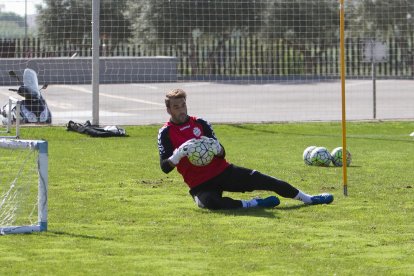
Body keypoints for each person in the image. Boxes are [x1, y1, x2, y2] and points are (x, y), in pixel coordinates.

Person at [157, 88, 334, 210]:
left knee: (265, 180)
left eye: (183, 105)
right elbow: (165, 167)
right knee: (211, 203)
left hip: (222, 172)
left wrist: (216, 147)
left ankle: (309, 199)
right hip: (199, 183)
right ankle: (254, 204)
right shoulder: (165, 133)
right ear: (168, 110)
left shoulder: (200, 123)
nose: (181, 110)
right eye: (176, 107)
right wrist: (178, 154)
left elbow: (222, 153)